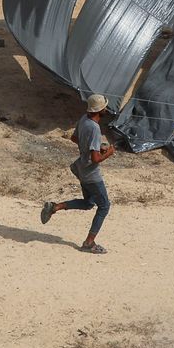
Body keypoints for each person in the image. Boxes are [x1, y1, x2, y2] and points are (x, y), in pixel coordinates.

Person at [40, 94, 115, 254]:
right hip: (91, 174)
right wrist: (108, 153)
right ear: (100, 110)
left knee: (88, 203)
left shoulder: (84, 119)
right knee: (104, 206)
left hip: (81, 169)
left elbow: (75, 138)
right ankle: (89, 243)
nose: (106, 109)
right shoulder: (95, 128)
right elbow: (95, 159)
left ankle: (55, 207)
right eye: (105, 107)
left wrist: (92, 147)